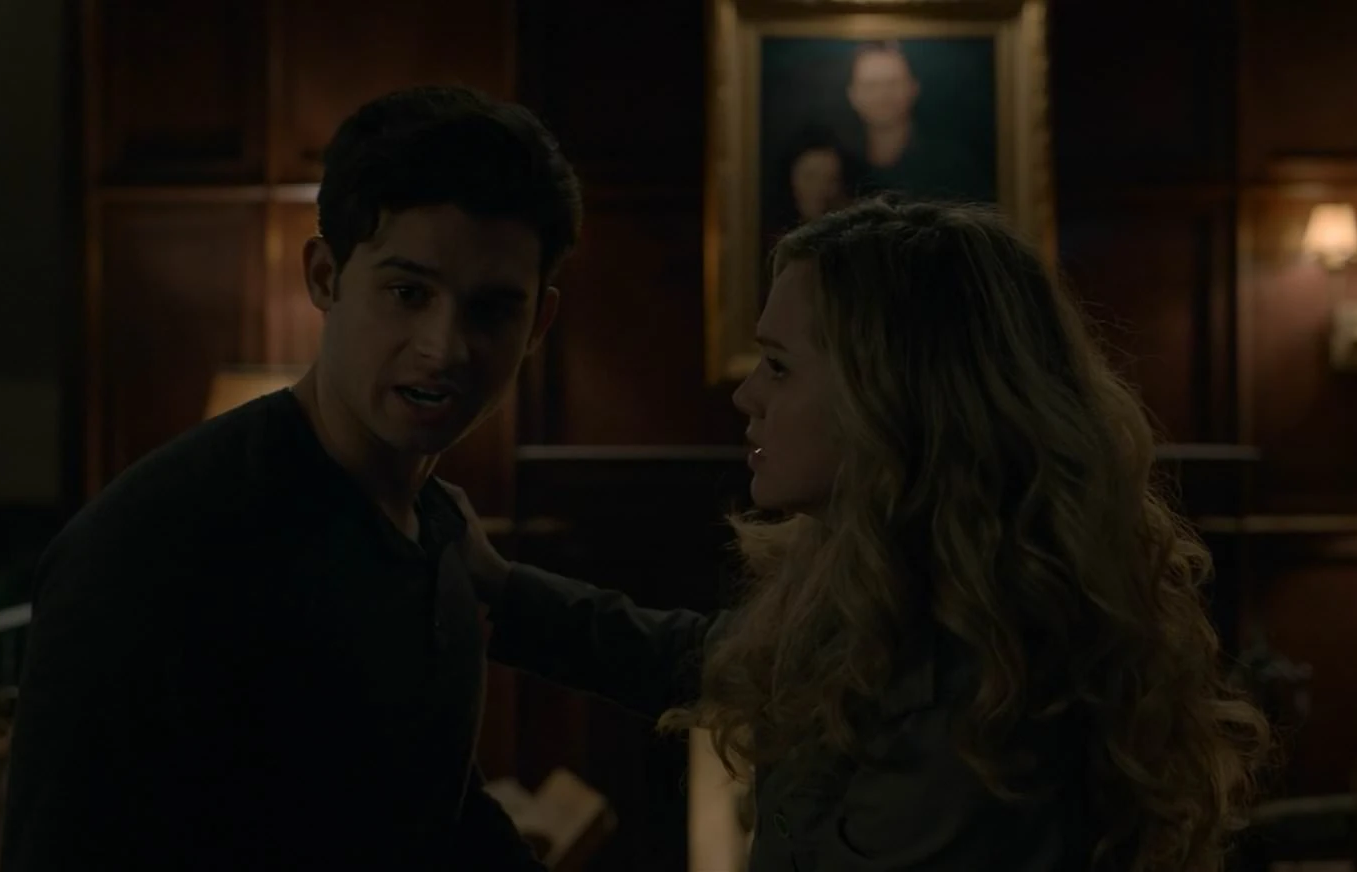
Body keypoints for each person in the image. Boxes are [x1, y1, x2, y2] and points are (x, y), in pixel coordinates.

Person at [448, 197, 1271, 871]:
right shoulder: (904, 580)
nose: (746, 397)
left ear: (894, 398)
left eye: (779, 365)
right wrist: (503, 591)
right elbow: (706, 657)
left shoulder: (978, 681)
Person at [1, 85, 579, 870]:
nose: (443, 347)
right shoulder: (157, 543)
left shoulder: (437, 532)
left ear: (538, 324)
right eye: (407, 293)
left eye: (490, 310)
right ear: (325, 277)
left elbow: (430, 811)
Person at [844, 40, 995, 203]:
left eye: (893, 83)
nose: (882, 96)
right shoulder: (838, 168)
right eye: (870, 86)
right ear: (852, 95)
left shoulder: (954, 166)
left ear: (913, 88)